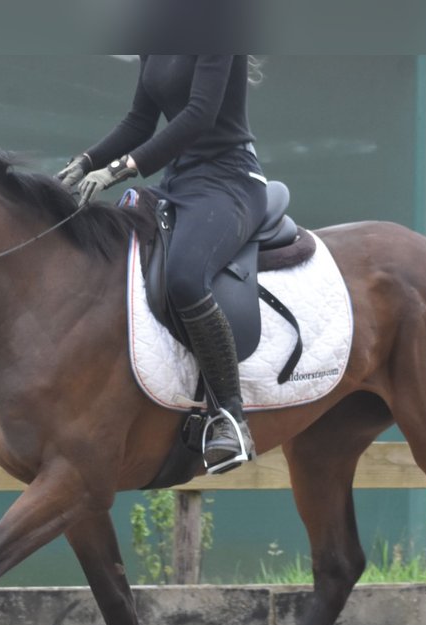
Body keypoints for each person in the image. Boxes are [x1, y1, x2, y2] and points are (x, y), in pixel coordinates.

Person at [57, 55, 268, 474]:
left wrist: (119, 169)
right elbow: (139, 121)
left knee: (186, 278)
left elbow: (199, 115)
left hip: (230, 181)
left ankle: (229, 417)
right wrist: (86, 161)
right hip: (178, 183)